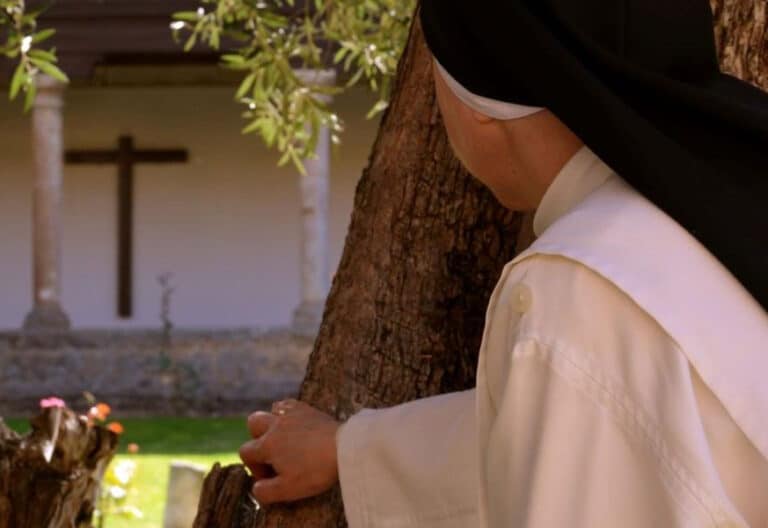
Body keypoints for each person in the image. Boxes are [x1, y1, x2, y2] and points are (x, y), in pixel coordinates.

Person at [239, 0, 768, 526]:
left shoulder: (582, 289)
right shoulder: (710, 214)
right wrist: (351, 450)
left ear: (478, 103)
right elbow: (602, 428)